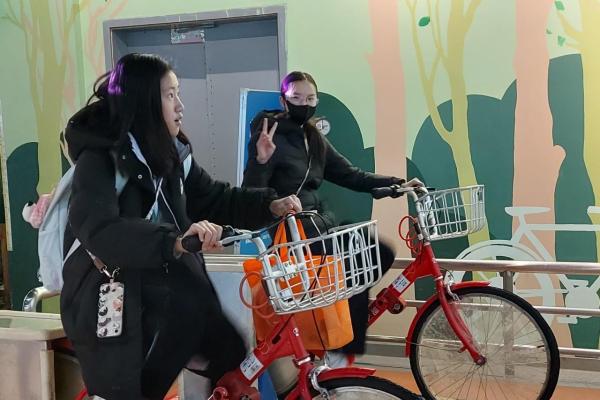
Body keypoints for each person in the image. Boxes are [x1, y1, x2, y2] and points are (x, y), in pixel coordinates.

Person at [60, 53, 301, 400]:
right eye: (170, 95)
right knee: (138, 387)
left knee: (228, 351)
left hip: (169, 293)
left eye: (178, 93)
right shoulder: (100, 159)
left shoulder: (171, 153)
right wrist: (173, 241)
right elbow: (100, 230)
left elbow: (214, 198)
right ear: (144, 100)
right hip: (112, 299)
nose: (180, 106)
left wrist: (268, 205)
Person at [242, 71, 422, 367]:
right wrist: (260, 160)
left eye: (310, 98)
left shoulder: (313, 138)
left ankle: (340, 340)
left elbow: (351, 175)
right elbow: (250, 193)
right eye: (296, 98)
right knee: (353, 261)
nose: (304, 104)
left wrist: (397, 184)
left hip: (320, 226)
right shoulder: (268, 136)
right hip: (292, 235)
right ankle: (337, 350)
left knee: (376, 252)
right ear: (283, 100)